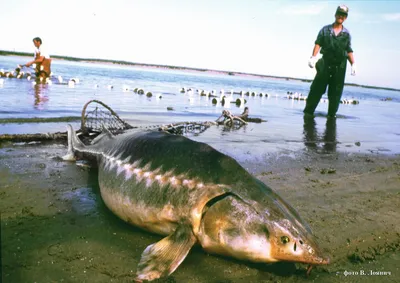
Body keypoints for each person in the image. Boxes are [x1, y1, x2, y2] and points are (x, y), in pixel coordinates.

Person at [303, 5, 356, 118]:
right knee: (316, 90)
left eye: (343, 15)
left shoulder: (347, 34)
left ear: (345, 18)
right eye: (339, 13)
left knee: (335, 95)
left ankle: (331, 117)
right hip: (325, 64)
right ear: (335, 14)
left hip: (340, 67)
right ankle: (308, 114)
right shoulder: (325, 30)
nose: (341, 16)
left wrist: (353, 64)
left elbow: (349, 50)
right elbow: (318, 43)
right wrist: (313, 57)